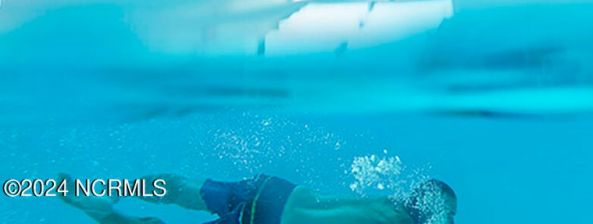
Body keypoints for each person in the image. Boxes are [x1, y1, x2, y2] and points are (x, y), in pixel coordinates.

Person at [57, 172, 456, 224]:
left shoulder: (390, 205)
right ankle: (97, 202)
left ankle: (99, 193)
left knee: (179, 187)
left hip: (275, 193)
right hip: (269, 214)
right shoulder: (398, 217)